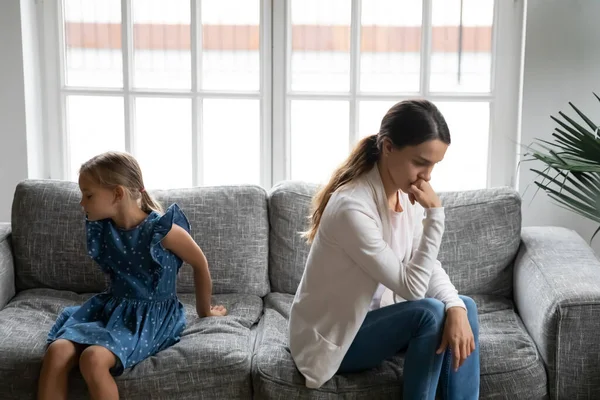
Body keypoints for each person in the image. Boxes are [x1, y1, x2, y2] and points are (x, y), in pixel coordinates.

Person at [288, 99, 479, 399]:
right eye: (420, 162)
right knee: (429, 313)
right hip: (335, 339)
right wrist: (436, 215)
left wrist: (455, 307)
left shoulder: (404, 195)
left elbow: (427, 266)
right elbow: (414, 289)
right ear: (388, 147)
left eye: (434, 165)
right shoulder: (353, 207)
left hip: (380, 322)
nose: (427, 176)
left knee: (464, 308)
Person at [37, 151, 227, 400]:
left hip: (151, 317)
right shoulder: (103, 227)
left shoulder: (163, 231)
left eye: (89, 195)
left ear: (117, 193)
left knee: (93, 359)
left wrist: (205, 311)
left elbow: (200, 264)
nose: (82, 203)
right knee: (57, 352)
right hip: (111, 309)